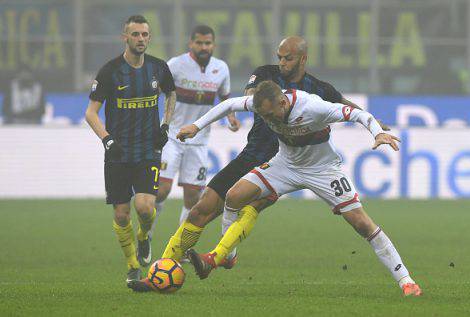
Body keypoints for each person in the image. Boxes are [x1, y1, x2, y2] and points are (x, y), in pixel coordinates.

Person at [127, 36, 390, 293]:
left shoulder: (320, 89)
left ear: (302, 59)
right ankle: (162, 270)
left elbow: (345, 106)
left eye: (288, 58)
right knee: (201, 209)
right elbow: (249, 96)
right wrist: (205, 122)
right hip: (252, 154)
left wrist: (377, 125)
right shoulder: (265, 74)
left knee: (250, 204)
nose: (282, 63)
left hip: (284, 163)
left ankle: (221, 256)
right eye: (280, 57)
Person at [180, 81, 422, 297]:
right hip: (285, 164)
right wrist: (196, 126)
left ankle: (406, 280)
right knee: (234, 195)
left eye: (270, 114)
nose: (267, 119)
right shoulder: (264, 105)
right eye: (263, 115)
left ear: (283, 102)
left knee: (360, 222)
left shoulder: (313, 108)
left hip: (323, 169)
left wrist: (378, 133)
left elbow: (357, 114)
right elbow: (230, 104)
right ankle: (227, 256)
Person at [85, 15, 176, 285]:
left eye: (145, 35)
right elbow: (91, 113)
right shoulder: (110, 71)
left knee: (146, 207)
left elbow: (171, 94)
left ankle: (144, 236)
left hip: (149, 148)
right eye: (135, 34)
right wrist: (106, 139)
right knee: (121, 213)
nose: (141, 39)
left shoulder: (159, 68)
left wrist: (165, 124)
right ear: (125, 37)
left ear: (149, 37)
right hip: (118, 152)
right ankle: (132, 266)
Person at [151, 25, 239, 233]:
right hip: (171, 136)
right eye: (199, 42)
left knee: (193, 198)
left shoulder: (221, 68)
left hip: (199, 141)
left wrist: (231, 117)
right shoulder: (175, 65)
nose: (203, 47)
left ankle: (178, 247)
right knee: (161, 190)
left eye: (207, 43)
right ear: (191, 43)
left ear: (213, 45)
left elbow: (225, 97)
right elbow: (156, 92)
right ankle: (147, 233)